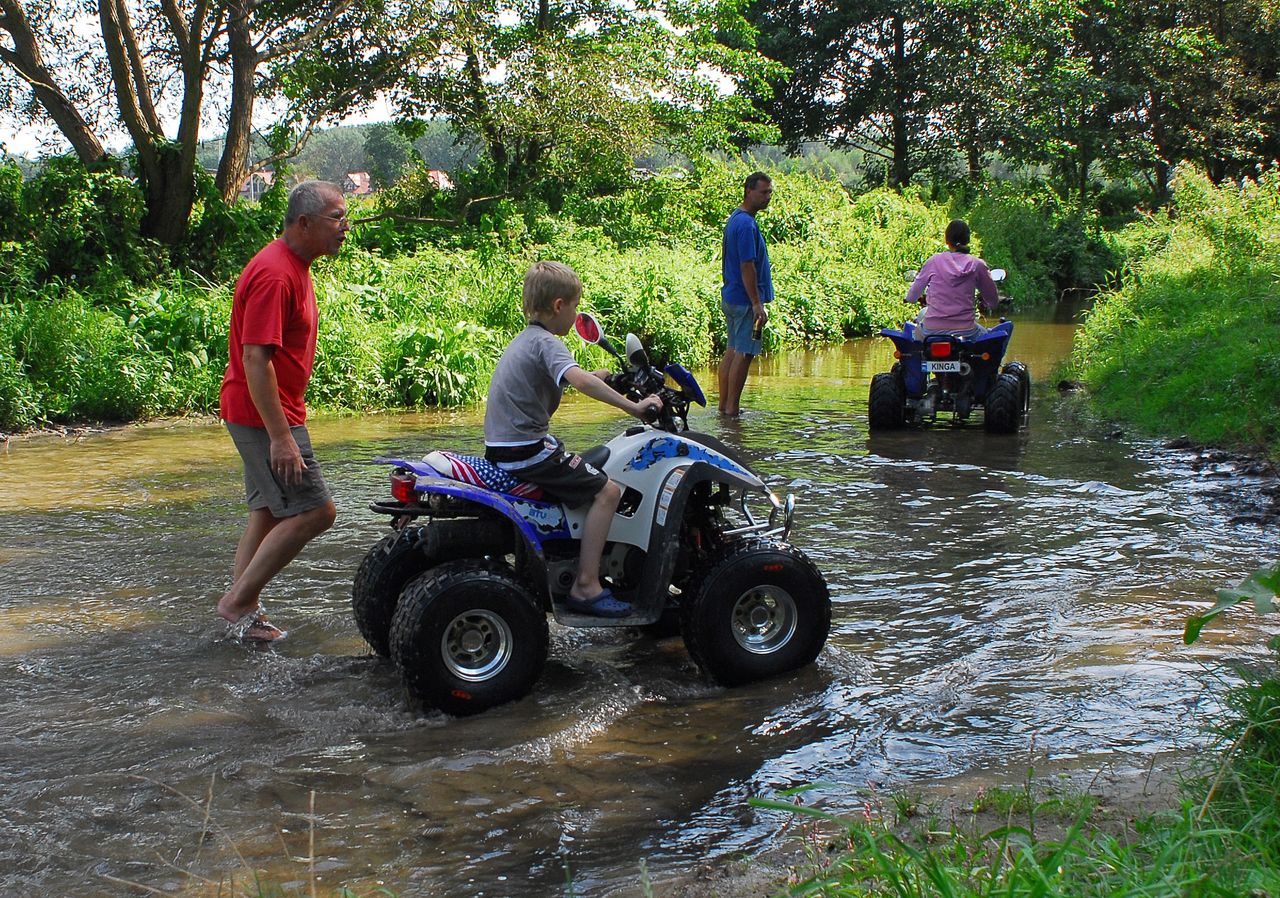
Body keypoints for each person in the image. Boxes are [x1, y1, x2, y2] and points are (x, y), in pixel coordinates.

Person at [484, 261, 662, 618]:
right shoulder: (547, 343)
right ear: (559, 306)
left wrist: (605, 376)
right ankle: (586, 585)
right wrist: (635, 407)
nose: (577, 313)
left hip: (506, 447)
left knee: (589, 469)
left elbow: (571, 377)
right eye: (576, 306)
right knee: (609, 490)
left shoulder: (528, 339)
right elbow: (579, 381)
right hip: (527, 451)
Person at [215, 180, 347, 641]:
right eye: (336, 217)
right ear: (304, 223)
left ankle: (245, 618)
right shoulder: (275, 273)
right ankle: (237, 603)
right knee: (317, 511)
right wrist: (281, 437)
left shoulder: (295, 265)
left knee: (268, 515)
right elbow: (256, 359)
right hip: (265, 416)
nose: (344, 227)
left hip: (260, 411)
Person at [717, 171, 774, 417]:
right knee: (745, 352)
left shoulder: (736, 219)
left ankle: (723, 407)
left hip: (733, 297)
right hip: (744, 301)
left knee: (732, 350)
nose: (768, 197)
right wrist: (756, 304)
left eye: (770, 192)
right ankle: (732, 411)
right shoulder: (746, 224)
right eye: (763, 192)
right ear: (748, 191)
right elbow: (746, 266)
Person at [906, 219, 1000, 338]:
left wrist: (911, 298)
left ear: (947, 240)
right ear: (968, 240)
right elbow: (993, 302)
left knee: (914, 338)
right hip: (967, 330)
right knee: (989, 338)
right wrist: (991, 302)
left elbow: (911, 297)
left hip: (931, 330)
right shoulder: (978, 265)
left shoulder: (933, 261)